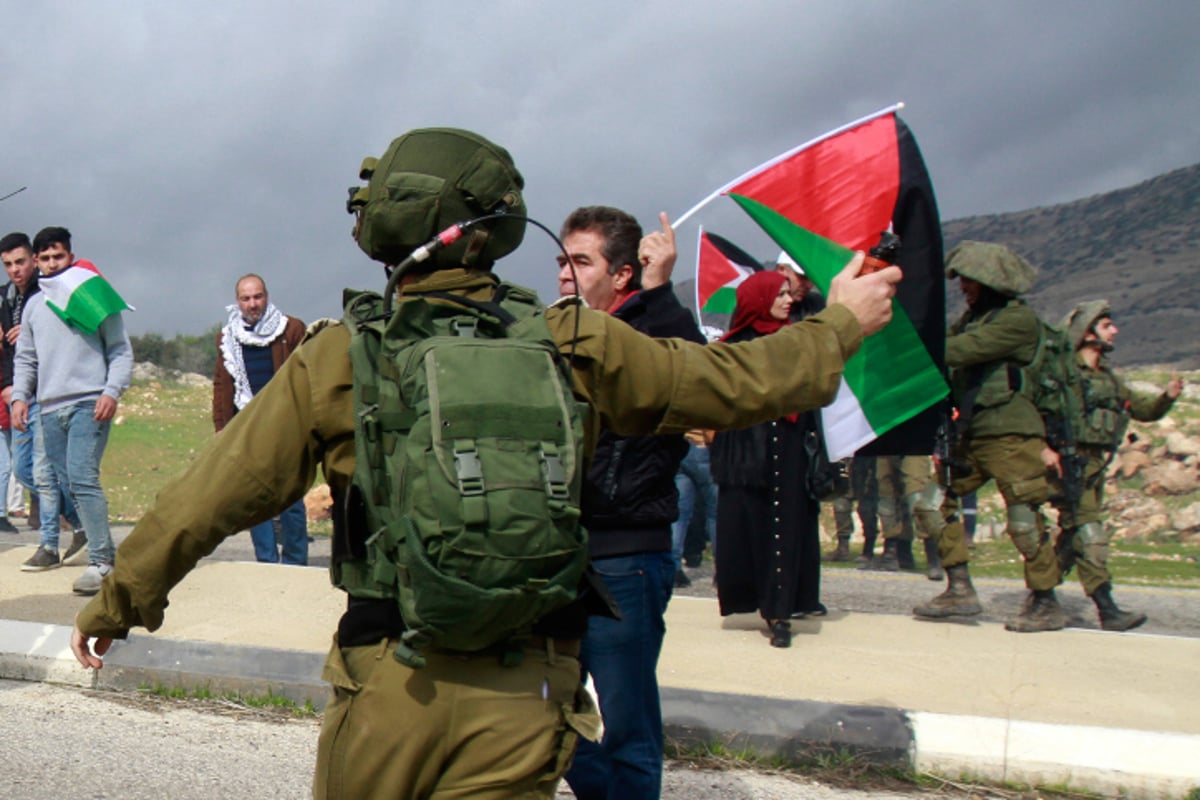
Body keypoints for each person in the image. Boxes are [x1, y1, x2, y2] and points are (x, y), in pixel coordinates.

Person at [69, 127, 900, 800]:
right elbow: (736, 383)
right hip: (527, 688)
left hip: (390, 682)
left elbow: (206, 497)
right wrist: (841, 324)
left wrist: (117, 603)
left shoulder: (342, 357)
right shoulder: (577, 339)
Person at [554, 205, 703, 800]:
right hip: (558, 554)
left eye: (580, 261)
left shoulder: (647, 329)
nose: (565, 273)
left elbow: (695, 373)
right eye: (561, 260)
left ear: (620, 274)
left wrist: (659, 289)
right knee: (541, 712)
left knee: (628, 732)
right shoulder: (555, 333)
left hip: (626, 559)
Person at [912, 241, 1064, 632]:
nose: (963, 287)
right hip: (971, 435)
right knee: (932, 503)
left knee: (1023, 518)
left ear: (989, 281)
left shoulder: (1018, 321)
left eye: (969, 280)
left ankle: (1046, 600)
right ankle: (959, 588)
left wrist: (917, 343)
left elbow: (963, 350)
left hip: (1011, 434)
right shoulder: (971, 319)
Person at [12, 227, 132, 595]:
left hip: (88, 402)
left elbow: (120, 349)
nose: (51, 264)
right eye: (44, 258)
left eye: (58, 257)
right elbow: (27, 358)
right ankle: (96, 547)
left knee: (82, 477)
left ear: (70, 255)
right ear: (36, 261)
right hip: (49, 408)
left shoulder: (91, 293)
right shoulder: (34, 305)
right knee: (61, 481)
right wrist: (19, 397)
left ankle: (102, 562)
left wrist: (111, 391)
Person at [1049, 300, 1183, 631]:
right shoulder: (1064, 376)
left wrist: (1167, 396)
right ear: (1087, 332)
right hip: (1069, 464)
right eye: (1107, 325)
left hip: (1095, 466)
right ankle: (1106, 607)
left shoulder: (1110, 380)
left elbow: (1145, 410)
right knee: (1089, 532)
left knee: (1073, 536)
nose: (1115, 331)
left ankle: (1041, 593)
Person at [711, 271, 824, 649]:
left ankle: (781, 612)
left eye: (789, 293)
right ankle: (761, 601)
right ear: (758, 298)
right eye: (779, 294)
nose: (788, 300)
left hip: (788, 454)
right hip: (747, 457)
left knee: (786, 530)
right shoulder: (734, 348)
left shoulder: (795, 341)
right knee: (753, 531)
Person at [2, 232, 89, 566]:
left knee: (42, 470)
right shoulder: (8, 298)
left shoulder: (51, 290)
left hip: (52, 391)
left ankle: (49, 545)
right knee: (25, 471)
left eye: (21, 262)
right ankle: (81, 523)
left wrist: (36, 329)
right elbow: (16, 354)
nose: (15, 270)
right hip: (22, 394)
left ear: (33, 260)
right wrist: (12, 389)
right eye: (8, 264)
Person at [213, 274, 307, 565]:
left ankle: (295, 560)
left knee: (290, 495)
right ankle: (265, 561)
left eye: (257, 297)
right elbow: (221, 383)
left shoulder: (290, 329)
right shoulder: (228, 337)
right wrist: (221, 428)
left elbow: (306, 374)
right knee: (253, 496)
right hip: (247, 425)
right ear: (238, 302)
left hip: (285, 423)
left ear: (266, 296)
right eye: (246, 298)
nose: (253, 304)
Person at [865, 455, 944, 580]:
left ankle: (933, 558)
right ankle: (895, 552)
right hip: (884, 442)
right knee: (886, 495)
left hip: (913, 443)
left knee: (916, 493)